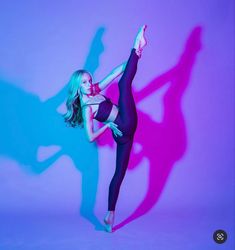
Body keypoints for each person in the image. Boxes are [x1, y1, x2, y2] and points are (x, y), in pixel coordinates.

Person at [63, 25, 147, 232]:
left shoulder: (95, 91)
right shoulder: (87, 108)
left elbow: (116, 72)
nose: (90, 84)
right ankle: (136, 46)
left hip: (125, 134)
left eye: (90, 80)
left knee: (119, 173)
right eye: (85, 82)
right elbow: (90, 136)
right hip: (125, 124)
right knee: (123, 86)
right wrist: (108, 125)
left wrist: (133, 60)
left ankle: (110, 215)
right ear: (77, 88)